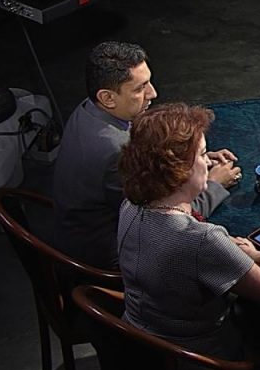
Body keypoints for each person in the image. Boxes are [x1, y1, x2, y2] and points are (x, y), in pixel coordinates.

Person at [116, 102, 260, 370]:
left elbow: (182, 246)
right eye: (201, 155)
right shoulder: (202, 240)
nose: (208, 163)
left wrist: (231, 250)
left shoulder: (130, 206)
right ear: (179, 170)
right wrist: (247, 254)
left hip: (138, 358)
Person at [52, 41, 241, 270]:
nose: (153, 93)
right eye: (139, 88)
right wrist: (214, 184)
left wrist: (191, 158)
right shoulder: (115, 151)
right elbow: (162, 222)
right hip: (111, 254)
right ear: (107, 97)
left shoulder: (89, 110)